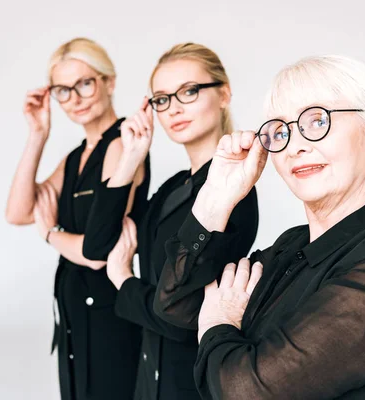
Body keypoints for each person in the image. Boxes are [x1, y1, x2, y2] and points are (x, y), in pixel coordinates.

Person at [154, 55, 365, 399]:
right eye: (281, 130)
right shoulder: (293, 246)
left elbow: (247, 391)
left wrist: (219, 322)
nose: (295, 146)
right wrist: (216, 198)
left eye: (316, 121)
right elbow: (177, 304)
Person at [95, 43, 259, 400]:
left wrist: (124, 282)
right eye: (162, 99)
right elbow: (100, 244)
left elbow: (183, 318)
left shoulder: (233, 191)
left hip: (192, 382)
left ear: (224, 94)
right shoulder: (174, 186)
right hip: (148, 376)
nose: (174, 108)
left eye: (188, 91)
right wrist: (131, 157)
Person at [5, 37, 148, 400]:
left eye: (84, 83)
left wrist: (51, 234)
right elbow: (18, 211)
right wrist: (38, 134)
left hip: (108, 317)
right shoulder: (74, 158)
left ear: (109, 82)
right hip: (74, 319)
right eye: (63, 90)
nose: (76, 98)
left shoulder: (121, 145)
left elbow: (97, 252)